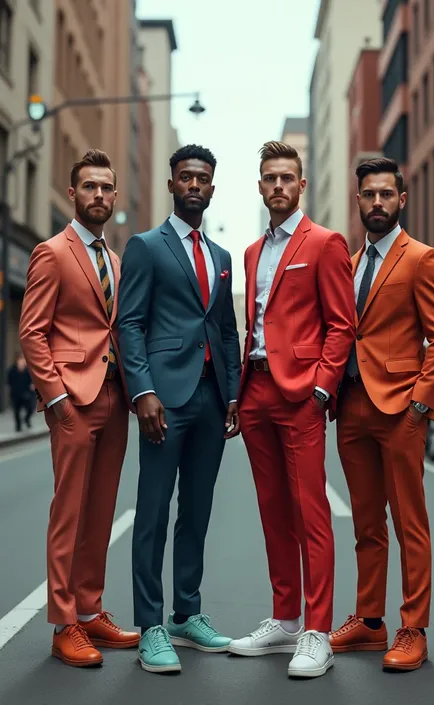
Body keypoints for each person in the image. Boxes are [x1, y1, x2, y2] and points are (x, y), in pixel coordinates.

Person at [228, 141, 355, 679]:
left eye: (286, 178)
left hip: (300, 393)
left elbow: (342, 324)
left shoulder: (325, 243)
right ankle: (284, 618)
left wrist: (323, 388)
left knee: (311, 513)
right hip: (255, 391)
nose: (278, 185)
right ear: (259, 187)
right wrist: (237, 394)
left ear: (301, 185)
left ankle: (317, 631)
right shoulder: (252, 252)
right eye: (269, 178)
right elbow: (256, 324)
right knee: (273, 510)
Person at [118, 144, 241, 674]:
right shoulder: (145, 247)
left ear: (213, 188)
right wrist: (142, 392)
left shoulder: (220, 258)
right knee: (152, 513)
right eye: (186, 177)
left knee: (197, 510)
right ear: (172, 185)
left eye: (203, 179)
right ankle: (149, 626)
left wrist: (234, 394)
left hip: (213, 399)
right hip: (163, 401)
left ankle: (185, 613)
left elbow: (226, 331)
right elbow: (130, 324)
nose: (194, 185)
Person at [330, 158, 434, 672]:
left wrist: (421, 404)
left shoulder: (423, 259)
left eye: (386, 194)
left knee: (410, 524)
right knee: (366, 524)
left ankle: (412, 627)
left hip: (400, 408)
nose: (376, 203)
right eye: (368, 195)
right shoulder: (350, 261)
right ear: (358, 200)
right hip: (352, 409)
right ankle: (369, 620)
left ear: (401, 200)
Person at [19, 149, 139, 668]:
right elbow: (31, 331)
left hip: (114, 398)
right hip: (74, 399)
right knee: (68, 513)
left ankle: (90, 610)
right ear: (73, 194)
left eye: (105, 188)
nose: (98, 196)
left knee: (101, 512)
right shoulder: (52, 251)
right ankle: (64, 623)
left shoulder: (114, 260)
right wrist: (58, 398)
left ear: (114, 196)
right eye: (89, 187)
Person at [7, 352, 34, 432]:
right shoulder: (12, 370)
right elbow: (9, 382)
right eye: (21, 359)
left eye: (24, 359)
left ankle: (26, 419)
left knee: (30, 408)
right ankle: (18, 426)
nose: (22, 361)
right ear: (17, 360)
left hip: (26, 392)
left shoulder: (28, 370)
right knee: (16, 410)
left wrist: (32, 385)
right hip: (16, 393)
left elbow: (32, 380)